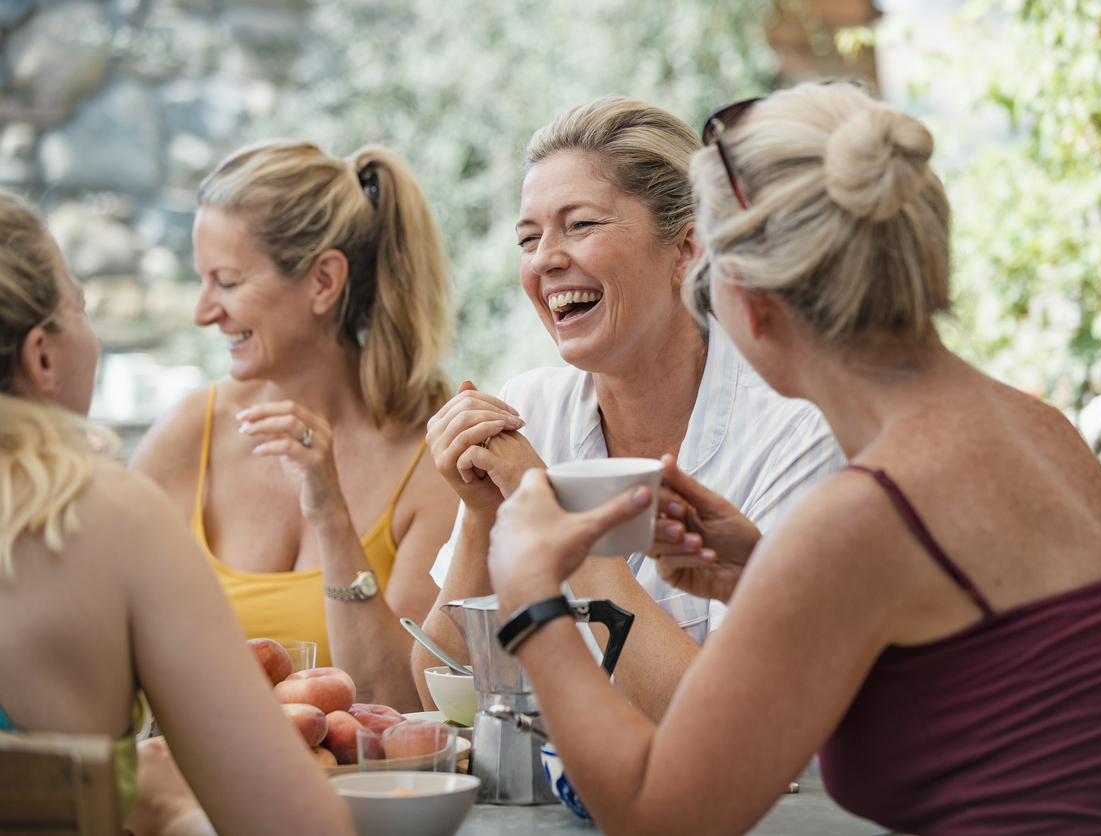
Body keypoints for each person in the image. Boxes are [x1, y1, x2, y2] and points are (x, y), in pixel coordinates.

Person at [480, 82, 1101, 835]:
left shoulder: (867, 512)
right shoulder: (1037, 428)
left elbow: (660, 815)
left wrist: (532, 594)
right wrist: (764, 568)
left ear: (751, 298)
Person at [414, 96, 843, 720]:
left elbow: (727, 723)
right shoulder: (527, 408)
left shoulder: (796, 429)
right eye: (528, 238)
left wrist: (552, 517)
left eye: (580, 224)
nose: (545, 259)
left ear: (686, 249)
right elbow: (442, 691)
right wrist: (483, 517)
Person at [0, 191, 353, 836]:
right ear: (42, 357)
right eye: (79, 305)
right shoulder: (106, 516)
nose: (202, 312)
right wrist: (170, 811)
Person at [133, 139, 460, 711]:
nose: (203, 312)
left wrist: (331, 515)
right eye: (203, 280)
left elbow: (405, 705)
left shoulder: (433, 456)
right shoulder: (191, 431)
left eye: (228, 282)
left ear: (323, 282)